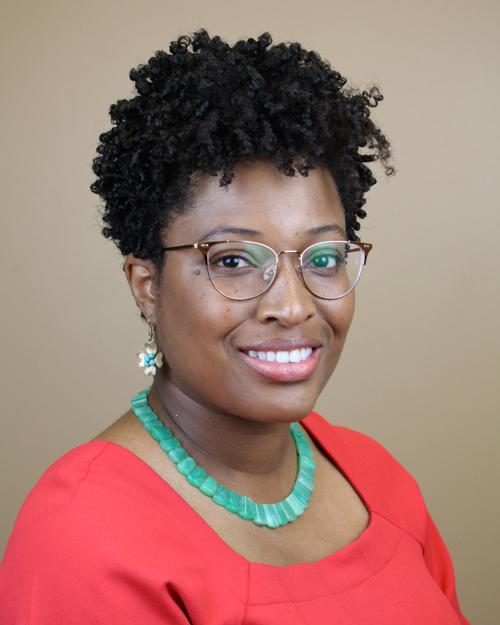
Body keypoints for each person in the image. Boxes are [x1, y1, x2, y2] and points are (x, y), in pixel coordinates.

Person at [0, 29, 470, 624]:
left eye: (323, 258)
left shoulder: (380, 482)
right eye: (232, 261)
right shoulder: (83, 531)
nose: (292, 306)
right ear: (147, 286)